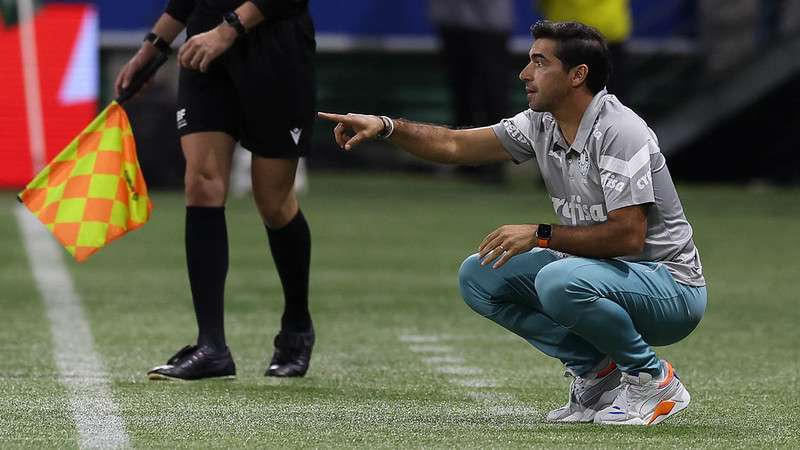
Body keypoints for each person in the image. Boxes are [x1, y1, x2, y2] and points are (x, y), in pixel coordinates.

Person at [319, 20, 707, 425]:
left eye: (540, 62)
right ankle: (598, 374)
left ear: (578, 75)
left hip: (671, 287)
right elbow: (455, 145)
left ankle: (652, 379)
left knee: (559, 280)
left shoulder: (619, 130)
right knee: (480, 275)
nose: (525, 74)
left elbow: (629, 236)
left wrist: (541, 235)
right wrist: (387, 126)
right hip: (607, 273)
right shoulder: (542, 122)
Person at [114, 0, 316, 380]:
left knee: (273, 203)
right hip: (204, 48)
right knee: (202, 183)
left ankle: (297, 326)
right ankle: (211, 347)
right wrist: (152, 48)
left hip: (275, 47)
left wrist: (228, 31)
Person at [428, 0, 514, 183]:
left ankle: (495, 162)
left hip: (489, 22)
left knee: (492, 93)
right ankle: (464, 160)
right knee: (461, 93)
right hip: (452, 19)